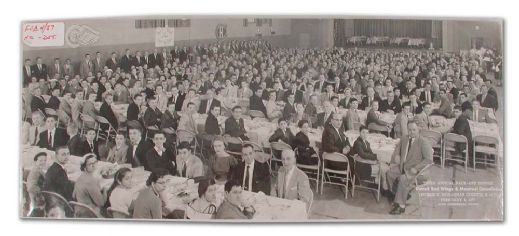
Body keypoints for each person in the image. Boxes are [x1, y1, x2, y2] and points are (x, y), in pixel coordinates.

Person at [386, 122, 433, 215]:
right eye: (410, 130)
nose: (411, 132)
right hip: (403, 167)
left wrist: (417, 168)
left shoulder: (423, 142)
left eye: (414, 130)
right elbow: (397, 149)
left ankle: (401, 206)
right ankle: (400, 195)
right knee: (389, 173)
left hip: (416, 171)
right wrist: (396, 156)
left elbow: (429, 159)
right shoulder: (404, 138)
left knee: (403, 179)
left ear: (418, 129)